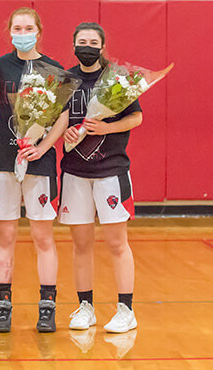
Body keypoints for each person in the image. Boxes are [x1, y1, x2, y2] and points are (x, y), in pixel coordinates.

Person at [0, 7, 67, 333]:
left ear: (38, 30)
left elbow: (61, 115)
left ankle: (47, 305)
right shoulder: (1, 66)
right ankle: (2, 305)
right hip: (4, 161)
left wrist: (42, 146)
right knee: (4, 235)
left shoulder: (54, 68)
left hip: (40, 164)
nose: (22, 32)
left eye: (28, 27)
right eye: (17, 27)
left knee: (42, 235)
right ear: (10, 31)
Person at [61, 22, 142, 334]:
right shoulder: (65, 79)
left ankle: (126, 309)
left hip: (111, 172)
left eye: (93, 42)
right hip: (75, 173)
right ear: (74, 45)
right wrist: (65, 132)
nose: (87, 46)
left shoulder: (117, 79)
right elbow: (57, 121)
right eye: (82, 41)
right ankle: (85, 307)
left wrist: (107, 127)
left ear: (102, 46)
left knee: (116, 243)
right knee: (81, 245)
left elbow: (136, 116)